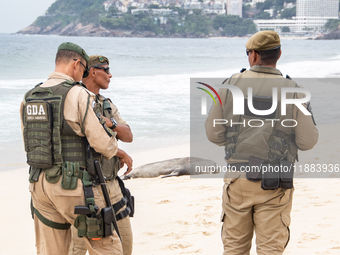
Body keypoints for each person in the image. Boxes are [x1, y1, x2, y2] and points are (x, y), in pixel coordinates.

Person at [204, 31, 318, 255]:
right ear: (279, 54)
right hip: (275, 182)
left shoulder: (229, 86)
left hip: (237, 181)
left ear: (253, 55)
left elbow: (214, 135)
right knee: (270, 250)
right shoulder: (295, 91)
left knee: (234, 249)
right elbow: (307, 142)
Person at [20, 42, 124, 255]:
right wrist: (114, 144)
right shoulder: (78, 94)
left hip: (39, 186)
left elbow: (28, 143)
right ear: (76, 64)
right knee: (107, 248)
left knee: (52, 251)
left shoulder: (30, 96)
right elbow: (102, 143)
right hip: (73, 186)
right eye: (84, 70)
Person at [68, 55, 134, 255]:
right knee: (77, 249)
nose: (110, 74)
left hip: (111, 184)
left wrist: (110, 123)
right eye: (106, 69)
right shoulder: (74, 100)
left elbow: (128, 135)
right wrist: (119, 152)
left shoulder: (106, 104)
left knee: (125, 245)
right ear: (93, 71)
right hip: (84, 186)